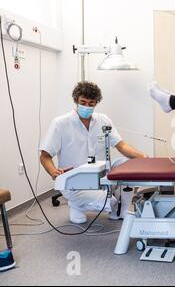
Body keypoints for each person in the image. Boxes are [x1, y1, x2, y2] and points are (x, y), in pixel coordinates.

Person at [40, 82, 148, 224]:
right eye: (83, 102)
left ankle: (119, 212)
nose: (87, 106)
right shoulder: (61, 123)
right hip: (74, 182)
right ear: (76, 100)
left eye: (91, 103)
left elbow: (121, 145)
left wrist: (144, 158)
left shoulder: (103, 120)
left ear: (96, 103)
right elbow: (45, 155)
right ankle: (76, 205)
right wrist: (53, 172)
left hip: (101, 177)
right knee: (111, 201)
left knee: (127, 164)